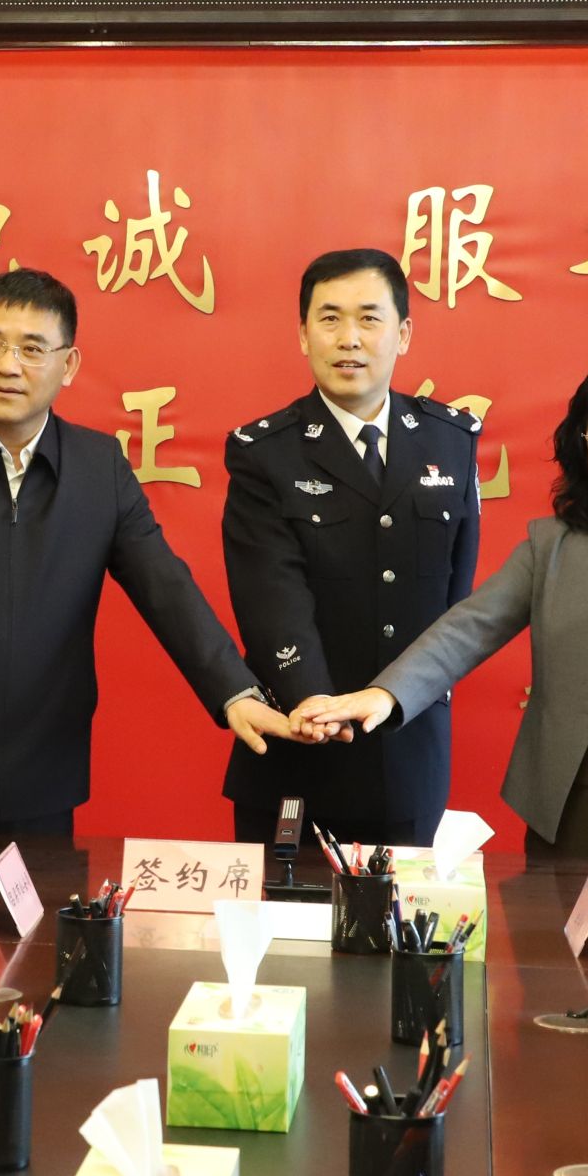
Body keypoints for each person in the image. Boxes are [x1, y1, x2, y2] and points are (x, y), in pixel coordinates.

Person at [0, 268, 303, 844]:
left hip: (44, 781)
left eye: (32, 349)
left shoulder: (98, 468)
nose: (7, 366)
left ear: (69, 364)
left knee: (40, 907)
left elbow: (165, 587)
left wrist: (235, 692)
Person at [297, 355, 588, 867]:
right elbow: (467, 629)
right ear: (583, 448)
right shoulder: (551, 545)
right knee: (556, 924)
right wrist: (385, 694)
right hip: (564, 812)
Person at [219, 249, 482, 847]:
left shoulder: (451, 439)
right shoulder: (265, 453)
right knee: (285, 908)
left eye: (369, 318)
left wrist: (406, 694)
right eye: (330, 319)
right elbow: (269, 593)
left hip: (408, 750)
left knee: (403, 911)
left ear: (403, 334)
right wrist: (313, 700)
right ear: (303, 335)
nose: (349, 339)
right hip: (298, 746)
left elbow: (456, 598)